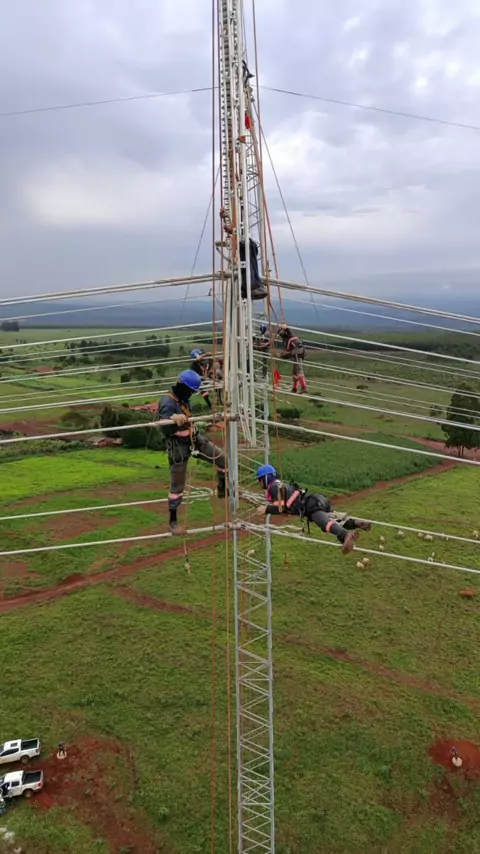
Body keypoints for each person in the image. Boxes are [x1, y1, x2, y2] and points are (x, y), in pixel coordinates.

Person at [159, 370, 226, 534]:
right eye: (189, 391)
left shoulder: (183, 399)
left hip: (194, 439)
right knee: (177, 485)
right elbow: (162, 424)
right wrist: (172, 418)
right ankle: (173, 522)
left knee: (222, 458)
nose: (190, 395)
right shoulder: (168, 402)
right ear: (182, 386)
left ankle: (223, 488)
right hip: (178, 446)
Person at [255, 464, 371, 554]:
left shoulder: (274, 487)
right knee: (334, 520)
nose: (260, 483)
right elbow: (285, 507)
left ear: (266, 478)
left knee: (325, 524)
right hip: (317, 500)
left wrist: (266, 509)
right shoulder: (281, 485)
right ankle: (356, 523)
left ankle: (345, 535)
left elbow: (280, 508)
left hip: (311, 506)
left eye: (260, 480)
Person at [277, 324, 307, 394]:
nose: (281, 335)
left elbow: (289, 332)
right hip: (294, 354)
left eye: (281, 333)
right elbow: (289, 353)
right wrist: (281, 356)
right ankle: (294, 388)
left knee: (299, 371)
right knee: (294, 372)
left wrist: (286, 328)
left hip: (297, 352)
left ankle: (303, 387)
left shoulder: (289, 336)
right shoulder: (286, 340)